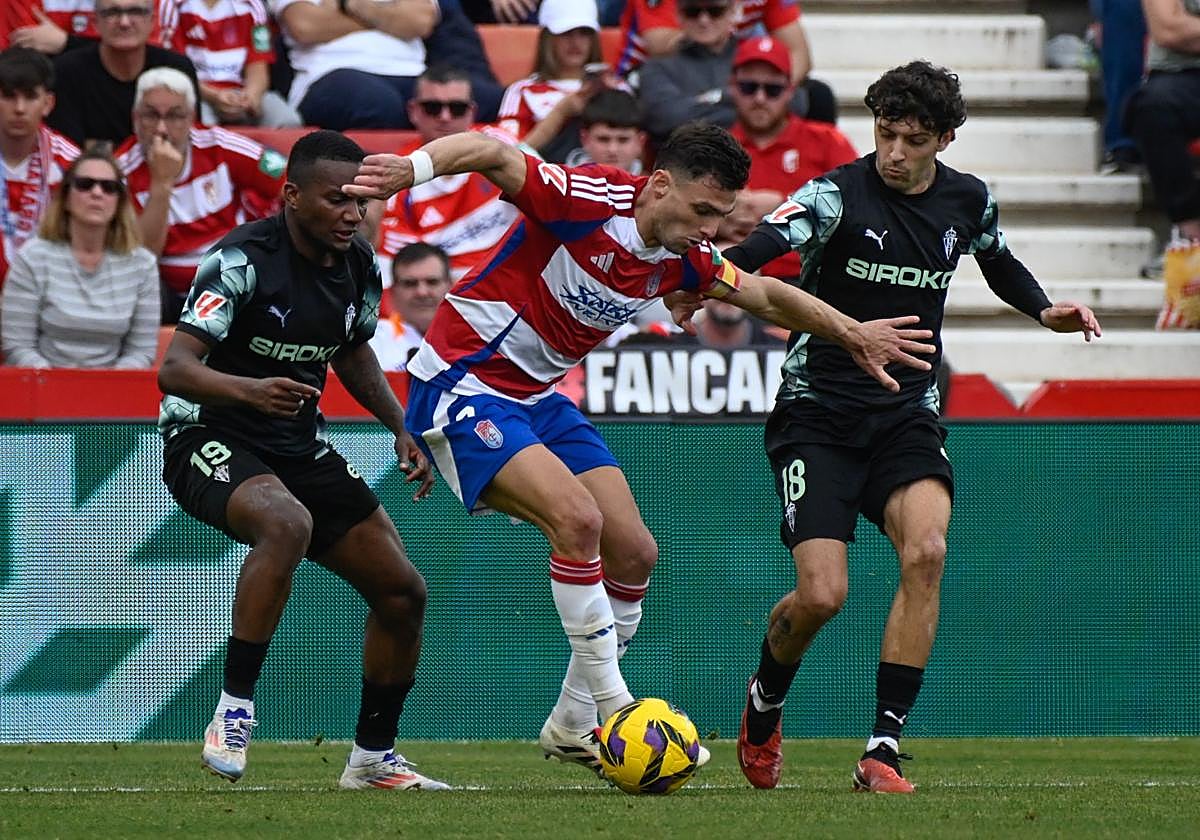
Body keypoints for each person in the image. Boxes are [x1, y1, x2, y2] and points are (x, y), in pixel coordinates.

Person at [342, 121, 936, 775]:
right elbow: (489, 151)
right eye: (703, 210)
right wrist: (413, 168)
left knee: (634, 551)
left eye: (722, 216)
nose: (710, 229)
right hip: (463, 380)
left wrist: (851, 333)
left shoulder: (685, 258)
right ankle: (617, 710)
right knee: (579, 523)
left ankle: (570, 724)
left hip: (537, 399)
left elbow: (763, 292)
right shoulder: (585, 201)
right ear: (658, 186)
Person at [691, 61, 1101, 794]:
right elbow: (760, 247)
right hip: (816, 414)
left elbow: (997, 261)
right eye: (885, 133)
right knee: (822, 596)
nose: (895, 152)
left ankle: (882, 747)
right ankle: (765, 703)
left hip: (906, 414)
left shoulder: (968, 200)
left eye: (914, 139)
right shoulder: (834, 195)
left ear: (944, 138)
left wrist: (1044, 311)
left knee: (928, 551)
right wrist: (711, 277)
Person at [157, 129, 449, 791]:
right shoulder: (239, 261)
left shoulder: (360, 266)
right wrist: (251, 391)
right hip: (206, 435)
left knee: (403, 593)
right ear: (290, 196)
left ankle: (373, 759)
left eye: (360, 202)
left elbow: (351, 353)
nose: (352, 214)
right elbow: (174, 370)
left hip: (295, 444)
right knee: (285, 524)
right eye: (336, 200)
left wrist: (402, 428)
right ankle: (233, 711)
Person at [116, 67, 286, 324]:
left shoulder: (219, 145)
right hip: (169, 294)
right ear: (135, 119)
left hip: (236, 276)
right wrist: (162, 183)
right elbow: (144, 255)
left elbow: (291, 181)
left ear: (191, 118)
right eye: (151, 115)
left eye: (175, 116)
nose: (162, 128)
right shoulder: (120, 173)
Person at [2, 147, 159, 367]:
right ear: (66, 197)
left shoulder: (143, 265)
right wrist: (57, 386)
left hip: (113, 390)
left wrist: (105, 387)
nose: (97, 193)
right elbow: (16, 346)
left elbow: (141, 352)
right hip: (42, 387)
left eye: (109, 187)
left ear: (119, 201)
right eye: (85, 184)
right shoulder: (32, 257)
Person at [724, 35, 856, 281]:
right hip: (738, 281)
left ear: (790, 91)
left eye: (772, 90)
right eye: (749, 87)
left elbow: (860, 207)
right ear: (732, 86)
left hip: (812, 279)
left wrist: (787, 206)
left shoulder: (826, 140)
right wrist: (722, 216)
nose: (760, 99)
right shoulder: (716, 146)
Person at [374, 65, 520, 284]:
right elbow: (405, 263)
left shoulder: (501, 143)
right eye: (432, 107)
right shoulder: (397, 171)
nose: (444, 117)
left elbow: (547, 193)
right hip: (446, 292)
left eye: (457, 108)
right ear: (413, 111)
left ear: (472, 112)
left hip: (516, 278)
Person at [47, 0, 199, 149]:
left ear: (152, 20)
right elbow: (67, 151)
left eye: (136, 12)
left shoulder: (178, 68)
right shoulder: (66, 71)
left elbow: (190, 142)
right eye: (112, 12)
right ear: (95, 22)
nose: (124, 22)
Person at [270, 0, 434, 130]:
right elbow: (306, 27)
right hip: (330, 75)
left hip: (411, 72)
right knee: (379, 103)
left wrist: (348, 4)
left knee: (449, 103)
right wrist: (388, 17)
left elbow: (421, 21)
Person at [497, 0, 624, 164]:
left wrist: (611, 100)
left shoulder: (618, 87)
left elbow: (638, 155)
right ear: (547, 37)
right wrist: (561, 113)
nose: (575, 41)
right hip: (546, 184)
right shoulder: (522, 91)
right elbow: (506, 157)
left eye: (584, 32)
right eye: (566, 33)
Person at [0, 47, 81, 288]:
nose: (20, 109)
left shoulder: (72, 165)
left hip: (50, 290)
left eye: (30, 97)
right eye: (8, 96)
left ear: (47, 103)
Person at [158, 0, 303, 128]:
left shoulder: (252, 5)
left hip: (241, 93)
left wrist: (251, 96)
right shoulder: (172, 5)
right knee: (201, 125)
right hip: (196, 93)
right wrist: (215, 96)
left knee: (288, 121)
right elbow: (173, 68)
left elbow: (259, 65)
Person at [1128, 0, 1200, 246]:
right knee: (1152, 107)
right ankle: (1189, 236)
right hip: (1181, 75)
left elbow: (1180, 28)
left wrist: (1189, 26)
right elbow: (1168, 29)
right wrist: (1180, 28)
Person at [369, 241, 452, 371]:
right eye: (410, 283)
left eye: (432, 282)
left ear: (450, 286)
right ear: (393, 292)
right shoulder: (371, 344)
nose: (422, 292)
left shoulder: (475, 340)